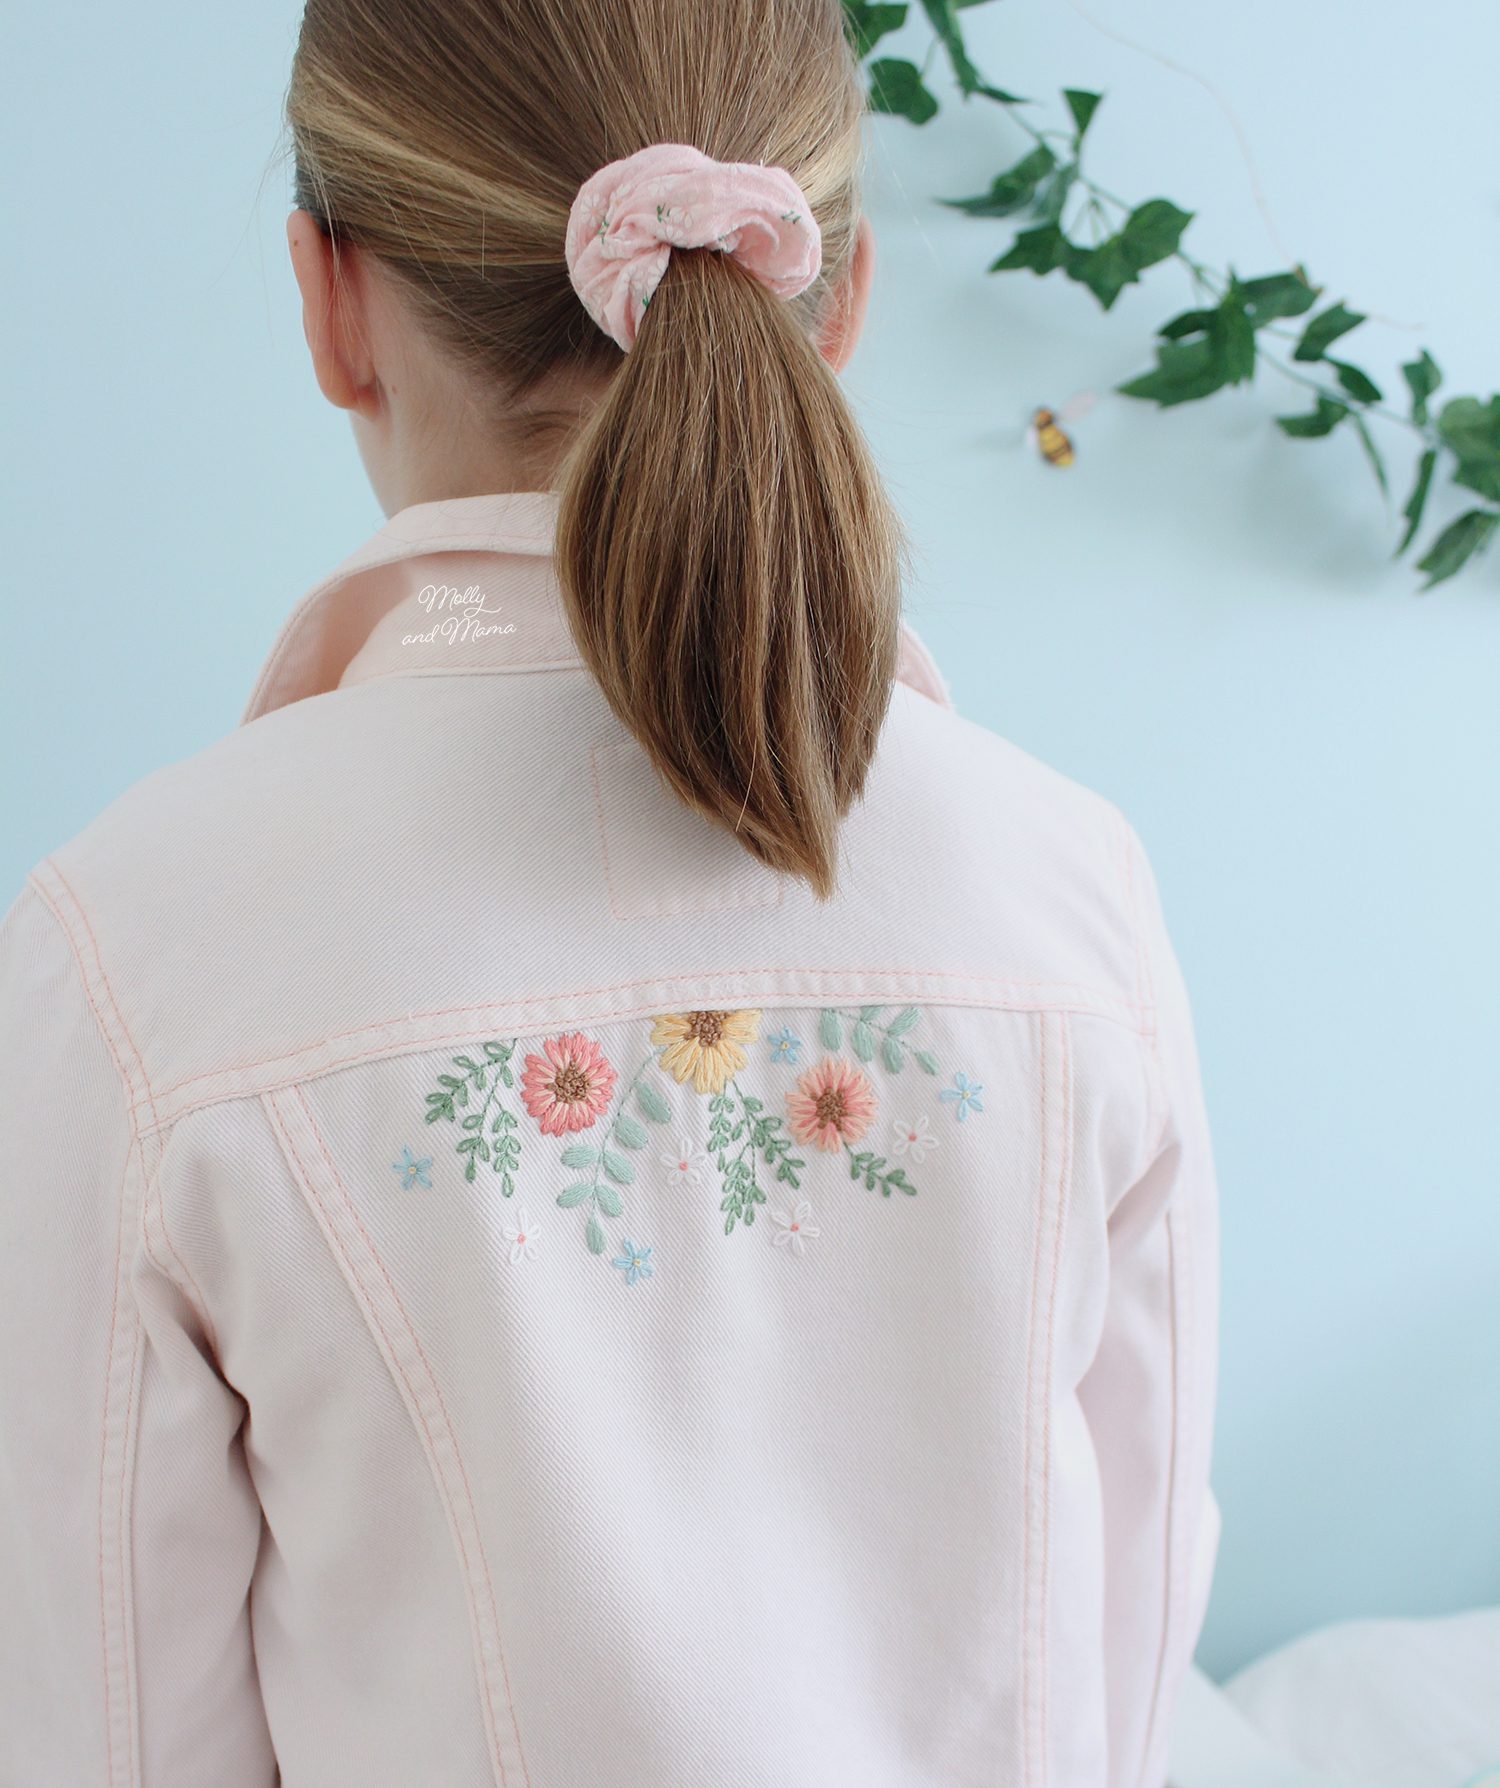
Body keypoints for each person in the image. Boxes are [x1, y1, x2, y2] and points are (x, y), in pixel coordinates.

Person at [0, 2, 1220, 1783]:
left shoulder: (138, 949)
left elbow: (98, 1715)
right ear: (842, 295)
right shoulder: (1072, 895)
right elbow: (1128, 1647)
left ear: (331, 299)